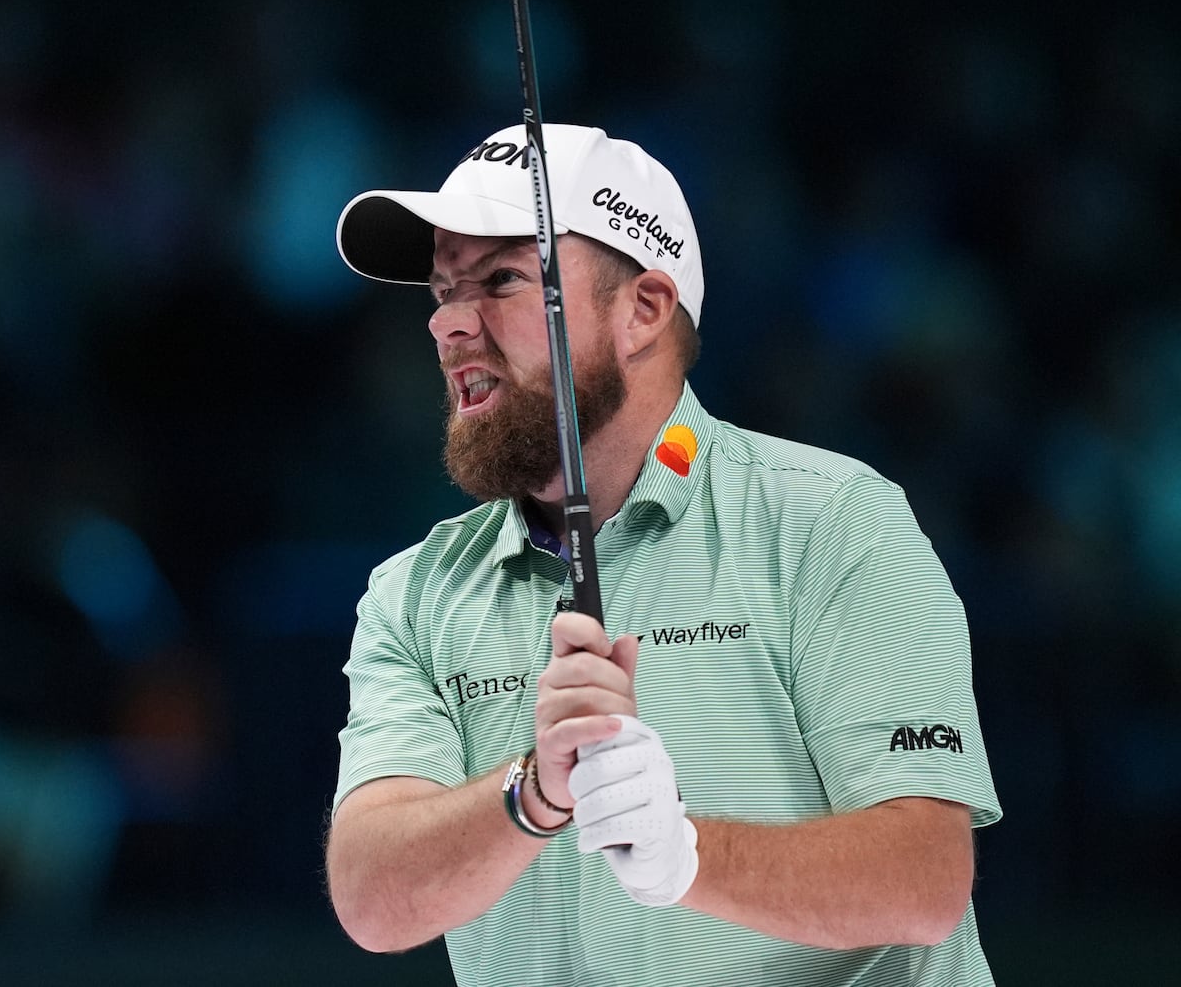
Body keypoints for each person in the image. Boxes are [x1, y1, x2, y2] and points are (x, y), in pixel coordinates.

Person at [324, 123, 1001, 986]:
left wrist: (683, 853)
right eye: (442, 291)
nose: (449, 324)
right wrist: (533, 792)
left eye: (499, 280)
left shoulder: (832, 517)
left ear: (642, 309)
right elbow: (371, 898)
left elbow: (923, 877)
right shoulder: (413, 593)